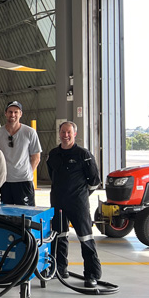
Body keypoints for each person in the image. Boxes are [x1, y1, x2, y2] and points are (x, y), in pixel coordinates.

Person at [47, 121, 102, 288]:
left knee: (85, 238)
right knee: (59, 236)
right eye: (63, 132)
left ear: (74, 134)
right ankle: (60, 269)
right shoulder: (53, 154)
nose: (65, 135)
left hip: (78, 204)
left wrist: (81, 195)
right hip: (58, 203)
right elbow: (53, 176)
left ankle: (91, 274)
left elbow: (94, 181)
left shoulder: (83, 154)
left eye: (68, 132)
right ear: (59, 133)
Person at [0, 101, 42, 206]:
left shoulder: (30, 132)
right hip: (3, 181)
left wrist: (27, 172)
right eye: (10, 112)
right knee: (4, 215)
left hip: (24, 181)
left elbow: (36, 157)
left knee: (26, 215)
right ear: (5, 113)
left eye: (16, 112)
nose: (13, 115)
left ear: (20, 114)